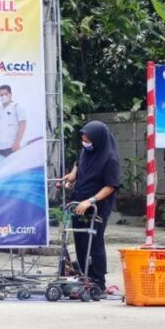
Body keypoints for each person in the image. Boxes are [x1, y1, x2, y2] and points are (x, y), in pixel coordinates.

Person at [61, 121, 120, 294]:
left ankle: (98, 280)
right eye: (83, 139)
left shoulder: (110, 159)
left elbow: (111, 185)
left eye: (88, 140)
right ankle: (84, 275)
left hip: (97, 205)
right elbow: (79, 165)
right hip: (79, 203)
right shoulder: (87, 151)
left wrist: (91, 201)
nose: (85, 142)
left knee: (94, 241)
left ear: (98, 139)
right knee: (79, 240)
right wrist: (71, 177)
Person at [0, 85, 27, 156]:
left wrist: (17, 142)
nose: (3, 96)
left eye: (5, 94)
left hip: (11, 146)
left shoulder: (17, 107)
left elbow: (22, 125)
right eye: (1, 95)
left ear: (10, 94)